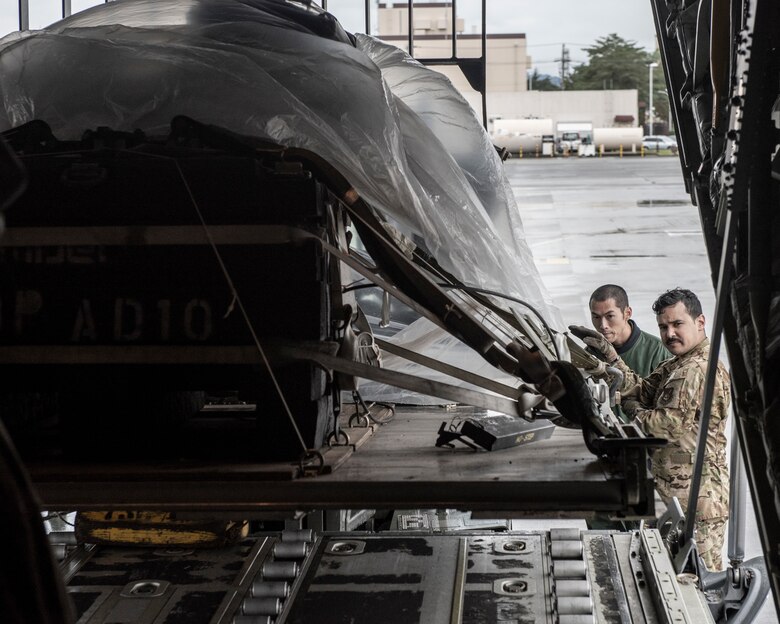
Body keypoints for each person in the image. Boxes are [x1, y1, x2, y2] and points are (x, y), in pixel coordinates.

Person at [573, 288, 730, 570]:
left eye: (677, 324)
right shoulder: (677, 364)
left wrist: (626, 408)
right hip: (676, 497)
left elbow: (662, 426)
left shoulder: (696, 369)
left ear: (700, 322)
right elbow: (642, 390)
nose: (669, 334)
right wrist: (609, 358)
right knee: (673, 579)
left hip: (698, 502)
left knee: (699, 588)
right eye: (663, 326)